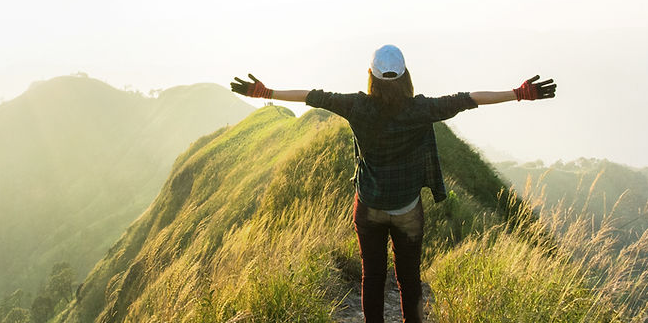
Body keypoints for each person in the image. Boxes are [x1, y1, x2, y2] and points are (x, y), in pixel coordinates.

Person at [230, 44, 556, 323]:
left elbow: (311, 96)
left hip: (369, 206)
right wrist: (518, 94)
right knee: (409, 281)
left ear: (370, 76)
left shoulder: (357, 106)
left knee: (372, 277)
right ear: (406, 77)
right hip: (407, 210)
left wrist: (265, 92)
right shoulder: (420, 109)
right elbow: (468, 99)